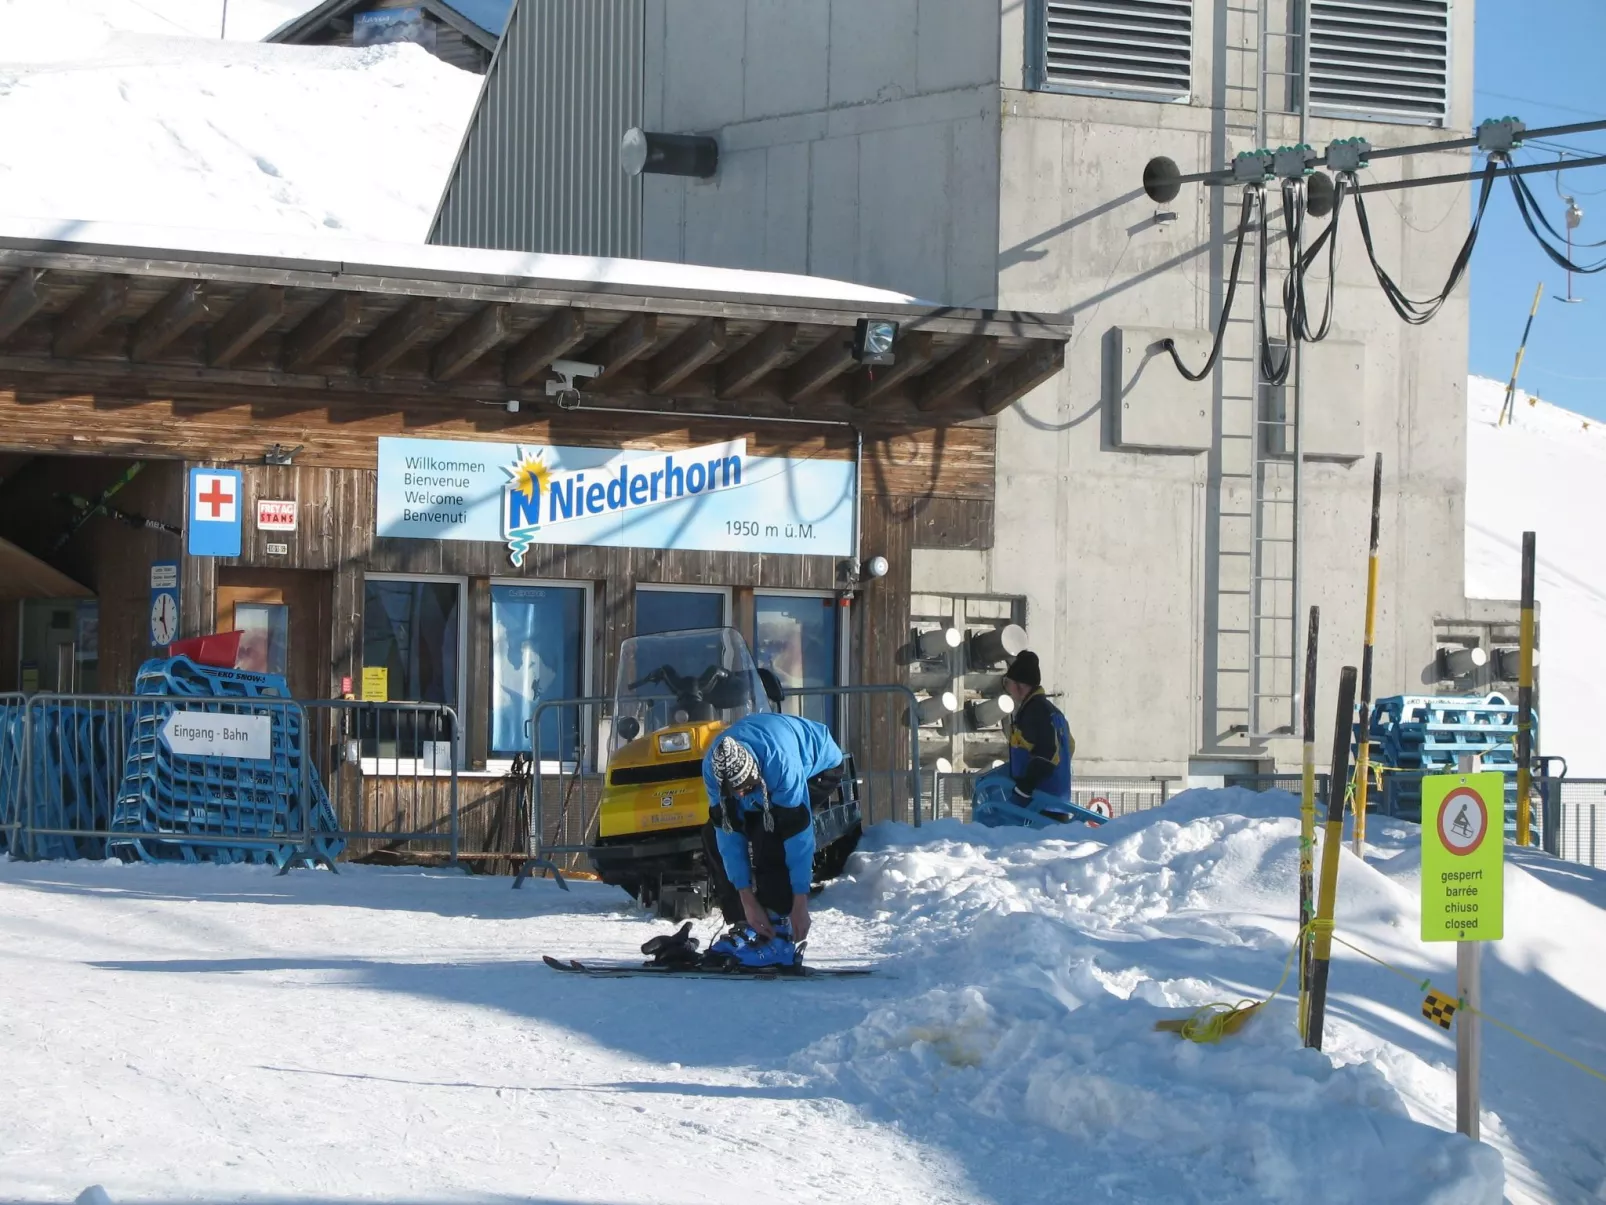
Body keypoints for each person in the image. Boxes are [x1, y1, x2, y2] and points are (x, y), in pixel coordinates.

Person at [699, 710, 845, 965]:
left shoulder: (782, 767)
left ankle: (779, 932)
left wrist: (800, 902)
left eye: (747, 789)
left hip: (818, 765)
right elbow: (727, 834)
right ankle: (747, 924)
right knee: (711, 834)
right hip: (763, 767)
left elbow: (798, 838)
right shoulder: (713, 771)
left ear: (757, 777)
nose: (743, 796)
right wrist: (746, 899)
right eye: (736, 792)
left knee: (772, 835)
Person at [972, 650, 1093, 828]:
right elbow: (1069, 748)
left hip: (1038, 804)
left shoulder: (1035, 713)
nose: (1009, 691)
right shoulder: (1052, 712)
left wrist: (1024, 788)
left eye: (1009, 684)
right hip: (1056, 803)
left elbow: (1047, 754)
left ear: (1021, 685)